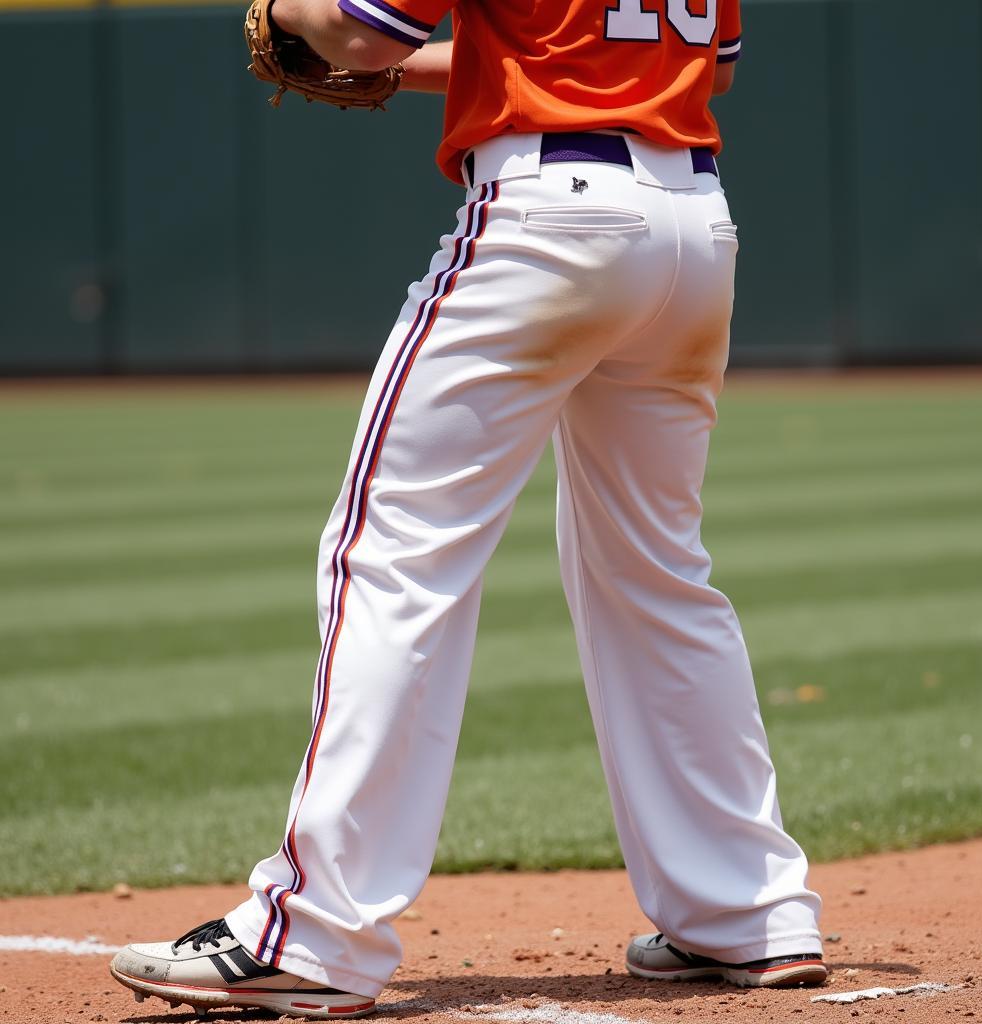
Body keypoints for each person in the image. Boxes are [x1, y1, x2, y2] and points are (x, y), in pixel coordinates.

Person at [110, 0, 826, 1017]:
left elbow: (358, 30)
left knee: (390, 554)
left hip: (546, 220)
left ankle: (312, 934)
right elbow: (707, 69)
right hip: (693, 226)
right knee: (658, 573)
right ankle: (749, 912)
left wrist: (281, 12)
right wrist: (410, 68)